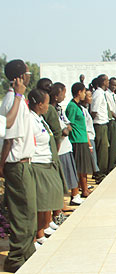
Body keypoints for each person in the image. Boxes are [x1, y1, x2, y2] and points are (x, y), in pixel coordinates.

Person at [0, 60, 36, 272]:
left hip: (24, 163)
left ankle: (27, 252)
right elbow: (9, 136)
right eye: (27, 72)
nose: (30, 75)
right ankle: (15, 258)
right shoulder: (12, 99)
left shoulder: (19, 100)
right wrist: (2, 164)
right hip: (16, 164)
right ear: (19, 77)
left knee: (29, 211)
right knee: (22, 212)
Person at [28, 89, 66, 248]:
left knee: (50, 200)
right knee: (41, 203)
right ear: (39, 104)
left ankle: (42, 231)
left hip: (47, 162)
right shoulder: (30, 119)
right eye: (46, 103)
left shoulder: (40, 118)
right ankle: (36, 235)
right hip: (38, 164)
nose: (48, 107)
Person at [50, 83, 83, 208]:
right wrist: (66, 129)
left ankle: (74, 197)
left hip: (66, 146)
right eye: (62, 93)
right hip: (60, 149)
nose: (64, 95)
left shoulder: (59, 109)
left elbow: (68, 125)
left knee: (70, 174)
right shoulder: (51, 110)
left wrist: (67, 129)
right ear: (56, 96)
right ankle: (60, 207)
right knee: (62, 178)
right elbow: (63, 130)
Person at [66, 83, 97, 199]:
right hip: (77, 140)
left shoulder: (78, 106)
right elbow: (70, 124)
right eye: (84, 92)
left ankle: (84, 188)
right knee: (81, 167)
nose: (85, 95)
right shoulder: (72, 106)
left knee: (85, 167)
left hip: (83, 139)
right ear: (79, 92)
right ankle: (83, 190)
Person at [91, 74, 110, 183]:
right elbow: (94, 110)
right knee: (102, 151)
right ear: (103, 82)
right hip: (99, 124)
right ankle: (100, 174)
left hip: (103, 123)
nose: (108, 83)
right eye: (107, 81)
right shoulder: (98, 94)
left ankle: (102, 172)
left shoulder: (102, 93)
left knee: (104, 150)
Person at [80, 89, 100, 173]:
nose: (91, 98)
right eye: (89, 96)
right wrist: (89, 143)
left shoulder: (87, 108)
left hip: (91, 136)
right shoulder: (81, 110)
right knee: (91, 159)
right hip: (88, 137)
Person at [106, 78, 116, 172]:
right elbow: (109, 109)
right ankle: (111, 165)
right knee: (112, 144)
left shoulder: (114, 95)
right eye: (112, 85)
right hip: (111, 120)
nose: (114, 87)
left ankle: (115, 161)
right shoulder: (106, 94)